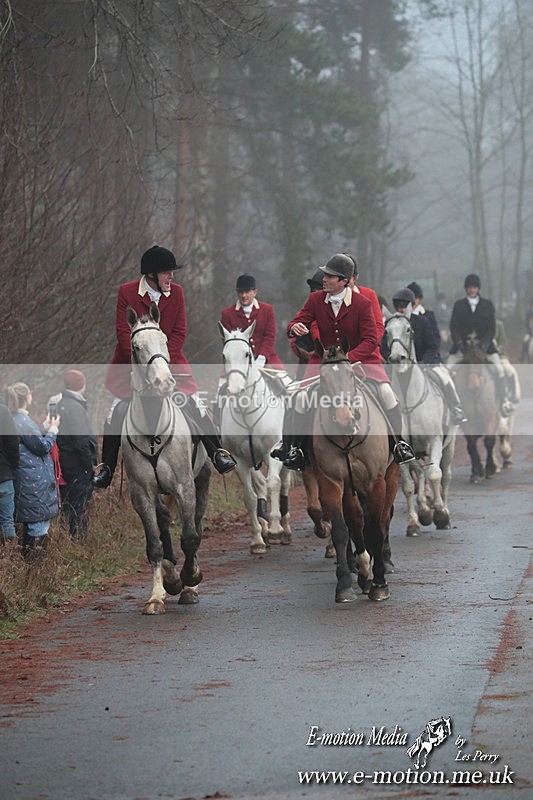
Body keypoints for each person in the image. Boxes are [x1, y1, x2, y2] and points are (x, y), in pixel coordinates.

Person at [93, 245, 236, 488]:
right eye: (167, 273)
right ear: (151, 275)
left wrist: (163, 359)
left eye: (172, 273)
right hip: (133, 364)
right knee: (116, 411)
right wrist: (145, 365)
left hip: (170, 360)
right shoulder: (127, 292)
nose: (172, 277)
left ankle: (217, 452)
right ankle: (106, 466)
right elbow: (122, 334)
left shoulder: (177, 293)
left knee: (194, 404)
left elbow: (180, 331)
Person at [271, 254, 416, 470]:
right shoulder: (315, 300)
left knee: (386, 394)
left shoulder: (363, 303)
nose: (324, 279)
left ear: (343, 281)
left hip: (362, 360)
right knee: (300, 397)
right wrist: (294, 328)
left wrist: (348, 360)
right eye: (326, 275)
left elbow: (370, 339)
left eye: (330, 276)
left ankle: (399, 445)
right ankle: (295, 449)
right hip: (323, 362)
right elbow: (296, 322)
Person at [382, 288, 467, 425]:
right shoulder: (390, 324)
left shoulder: (422, 321)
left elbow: (432, 345)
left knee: (443, 377)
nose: (401, 309)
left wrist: (424, 362)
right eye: (398, 307)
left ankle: (455, 407)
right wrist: (390, 358)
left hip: (425, 362)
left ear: (411, 305)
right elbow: (384, 347)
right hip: (397, 363)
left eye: (404, 306)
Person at [448, 274, 514, 417]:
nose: (472, 290)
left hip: (485, 347)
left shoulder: (487, 305)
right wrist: (459, 343)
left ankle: (504, 402)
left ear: (478, 288)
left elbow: (491, 328)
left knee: (499, 369)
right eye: (470, 287)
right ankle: (451, 408)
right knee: (447, 371)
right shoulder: (458, 305)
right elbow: (453, 326)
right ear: (466, 288)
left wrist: (484, 346)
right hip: (463, 348)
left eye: (474, 287)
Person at [7, 382, 59, 559]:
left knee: (33, 527)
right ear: (27, 397)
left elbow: (31, 439)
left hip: (27, 479)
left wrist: (43, 427)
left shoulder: (15, 419)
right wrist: (53, 430)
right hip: (33, 483)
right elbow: (42, 446)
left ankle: (31, 571)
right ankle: (35, 570)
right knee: (38, 528)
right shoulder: (23, 421)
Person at [219, 273, 293, 392]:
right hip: (237, 363)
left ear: (255, 292)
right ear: (237, 293)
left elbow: (270, 335)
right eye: (240, 292)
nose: (244, 295)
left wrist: (262, 357)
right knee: (220, 393)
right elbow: (228, 343)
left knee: (288, 387)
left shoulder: (267, 310)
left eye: (247, 292)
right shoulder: (227, 314)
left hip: (267, 358)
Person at [56, 370, 97, 540]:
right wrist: (90, 466)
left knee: (70, 505)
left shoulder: (62, 403)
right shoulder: (74, 407)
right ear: (81, 385)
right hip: (78, 466)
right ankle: (79, 543)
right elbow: (80, 442)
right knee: (77, 506)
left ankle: (72, 540)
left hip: (66, 462)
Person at [0, 388, 20, 544]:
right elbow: (13, 443)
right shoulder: (3, 411)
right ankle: (9, 559)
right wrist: (12, 465)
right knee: (7, 521)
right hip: (3, 474)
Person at [406, 281, 442, 353]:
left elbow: (436, 337)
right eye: (409, 299)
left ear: (420, 299)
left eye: (415, 298)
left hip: (427, 355)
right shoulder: (402, 316)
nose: (412, 301)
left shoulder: (429, 315)